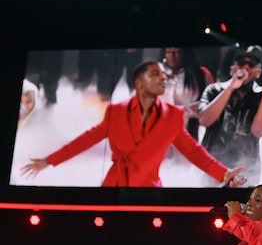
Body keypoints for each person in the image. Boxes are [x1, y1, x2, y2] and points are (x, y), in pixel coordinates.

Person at [20, 61, 247, 188]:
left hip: (149, 191)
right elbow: (85, 140)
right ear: (139, 83)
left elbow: (194, 151)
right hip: (114, 187)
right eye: (155, 74)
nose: (163, 78)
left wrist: (224, 173)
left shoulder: (173, 116)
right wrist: (49, 161)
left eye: (163, 75)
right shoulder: (116, 112)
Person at [199, 45, 262, 185]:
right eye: (241, 63)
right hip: (211, 167)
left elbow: (258, 131)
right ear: (232, 68)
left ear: (258, 72)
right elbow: (204, 120)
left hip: (246, 170)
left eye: (251, 64)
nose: (245, 68)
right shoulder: (214, 90)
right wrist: (231, 87)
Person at [160, 47, 214, 140]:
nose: (172, 56)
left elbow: (212, 101)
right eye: (168, 51)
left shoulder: (199, 74)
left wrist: (185, 111)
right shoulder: (156, 74)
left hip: (188, 129)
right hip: (160, 129)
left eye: (177, 52)